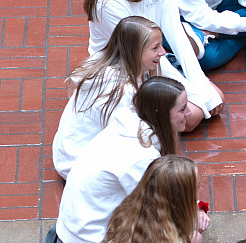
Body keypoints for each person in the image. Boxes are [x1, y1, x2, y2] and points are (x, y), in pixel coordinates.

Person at [43, 77, 189, 243]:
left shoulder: (126, 126)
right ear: (160, 113)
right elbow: (159, 211)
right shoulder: (141, 156)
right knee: (185, 241)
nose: (189, 113)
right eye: (182, 109)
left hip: (74, 231)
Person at [85, 0, 224, 131]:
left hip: (154, 59)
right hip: (125, 71)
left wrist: (201, 86)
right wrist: (195, 96)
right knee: (192, 116)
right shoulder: (109, 4)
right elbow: (140, 54)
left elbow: (175, 31)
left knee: (215, 98)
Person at [52, 16, 165, 178]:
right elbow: (128, 136)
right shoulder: (121, 91)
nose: (163, 52)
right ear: (135, 51)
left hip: (70, 153)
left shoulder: (104, 60)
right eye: (155, 48)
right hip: (79, 166)